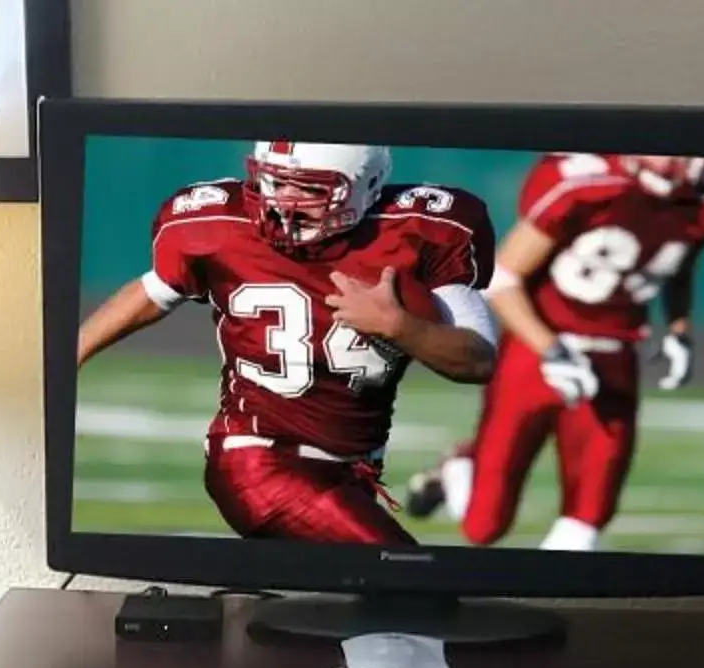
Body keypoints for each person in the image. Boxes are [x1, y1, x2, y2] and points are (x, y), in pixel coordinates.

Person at [74, 143, 498, 544]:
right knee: (408, 582)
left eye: (311, 188)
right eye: (276, 182)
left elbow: (479, 360)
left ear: (366, 186)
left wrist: (401, 326)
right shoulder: (220, 225)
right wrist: (66, 357)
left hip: (352, 468)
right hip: (259, 461)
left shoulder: (421, 231)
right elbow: (155, 291)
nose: (285, 202)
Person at [403, 153, 704, 551]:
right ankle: (462, 466)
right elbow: (502, 277)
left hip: (614, 354)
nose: (691, 159)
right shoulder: (586, 186)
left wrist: (678, 327)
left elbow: (678, 260)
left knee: (588, 520)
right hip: (537, 350)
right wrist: (552, 351)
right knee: (484, 527)